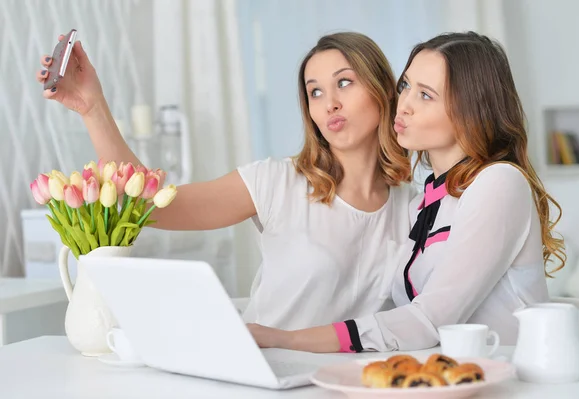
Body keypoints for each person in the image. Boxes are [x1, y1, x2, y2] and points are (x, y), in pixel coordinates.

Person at [37, 32, 415, 330]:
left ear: (382, 89)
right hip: (262, 376)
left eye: (344, 83)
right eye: (315, 91)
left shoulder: (414, 207)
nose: (329, 102)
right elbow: (153, 204)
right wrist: (92, 107)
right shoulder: (278, 182)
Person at [246, 31, 566, 352]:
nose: (404, 105)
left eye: (426, 95)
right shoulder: (420, 205)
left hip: (514, 380)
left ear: (472, 111)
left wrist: (284, 339)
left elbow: (428, 320)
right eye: (405, 86)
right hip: (447, 377)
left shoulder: (499, 183)